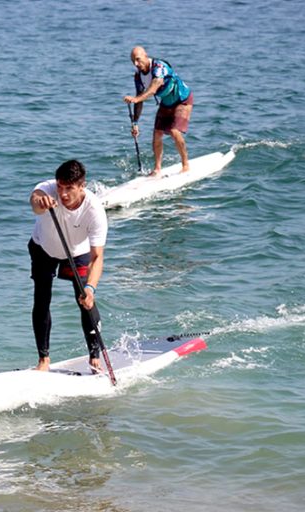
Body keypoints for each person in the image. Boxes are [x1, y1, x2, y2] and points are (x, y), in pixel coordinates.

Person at [28, 160, 108, 373]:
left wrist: (91, 287)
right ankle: (43, 360)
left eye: (69, 188)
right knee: (42, 299)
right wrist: (40, 202)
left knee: (85, 300)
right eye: (60, 187)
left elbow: (97, 256)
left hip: (77, 253)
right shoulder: (48, 190)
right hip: (43, 249)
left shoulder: (94, 210)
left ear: (82, 186)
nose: (62, 194)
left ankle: (94, 356)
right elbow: (35, 201)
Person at [123, 46, 193, 175]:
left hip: (182, 99)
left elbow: (153, 88)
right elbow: (139, 99)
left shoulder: (159, 67)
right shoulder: (138, 76)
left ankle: (185, 165)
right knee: (157, 133)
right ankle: (157, 169)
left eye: (138, 59)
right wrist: (135, 123)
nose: (136, 64)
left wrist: (136, 99)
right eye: (133, 61)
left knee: (173, 130)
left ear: (145, 55)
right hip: (166, 102)